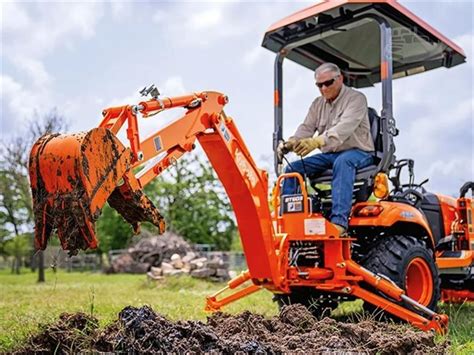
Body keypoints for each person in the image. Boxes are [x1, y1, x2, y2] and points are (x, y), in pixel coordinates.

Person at [279, 62, 374, 235]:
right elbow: (307, 127)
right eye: (319, 85)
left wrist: (315, 142)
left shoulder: (356, 99)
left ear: (340, 79)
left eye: (328, 83)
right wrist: (292, 142)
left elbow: (344, 128)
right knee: (292, 168)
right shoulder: (318, 104)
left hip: (359, 152)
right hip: (331, 154)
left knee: (343, 162)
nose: (323, 88)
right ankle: (289, 220)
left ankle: (339, 223)